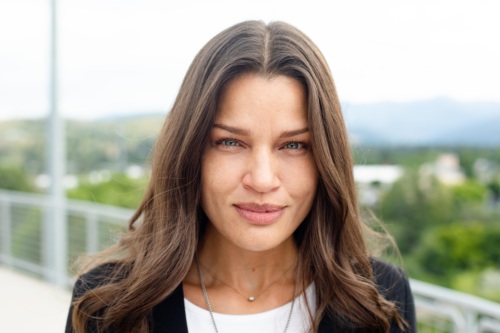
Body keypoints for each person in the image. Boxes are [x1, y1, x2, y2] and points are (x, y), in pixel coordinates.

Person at [66, 20, 416, 333]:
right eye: (230, 142)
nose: (262, 180)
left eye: (294, 145)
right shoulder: (108, 308)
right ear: (190, 153)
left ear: (326, 158)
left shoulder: (379, 300)